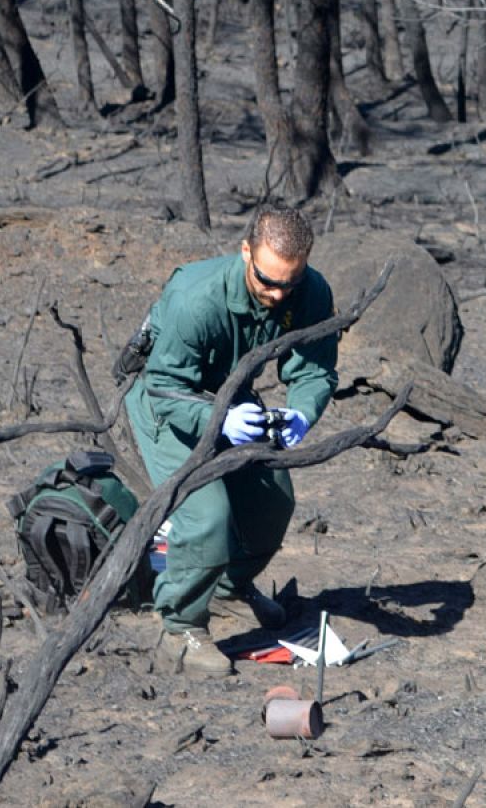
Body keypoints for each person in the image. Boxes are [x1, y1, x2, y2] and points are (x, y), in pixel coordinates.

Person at [126, 205, 338, 675]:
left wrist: (301, 412)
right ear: (246, 252)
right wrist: (217, 419)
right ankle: (179, 628)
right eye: (267, 281)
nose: (278, 294)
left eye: (289, 283)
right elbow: (163, 386)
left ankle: (227, 589)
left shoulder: (310, 291)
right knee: (207, 517)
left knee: (271, 503)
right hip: (168, 402)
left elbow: (315, 368)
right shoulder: (195, 299)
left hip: (231, 397)